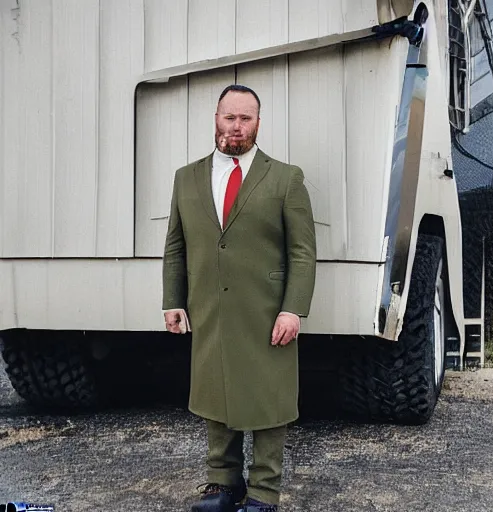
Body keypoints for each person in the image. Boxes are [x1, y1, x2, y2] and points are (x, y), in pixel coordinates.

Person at [162, 84, 316, 512]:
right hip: (209, 310)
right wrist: (172, 301)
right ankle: (222, 483)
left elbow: (303, 250)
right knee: (216, 391)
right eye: (229, 116)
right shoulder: (186, 177)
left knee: (270, 397)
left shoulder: (286, 178)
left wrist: (293, 308)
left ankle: (264, 492)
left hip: (267, 310)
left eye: (245, 118)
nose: (236, 125)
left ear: (258, 123)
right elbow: (176, 245)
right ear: (216, 118)